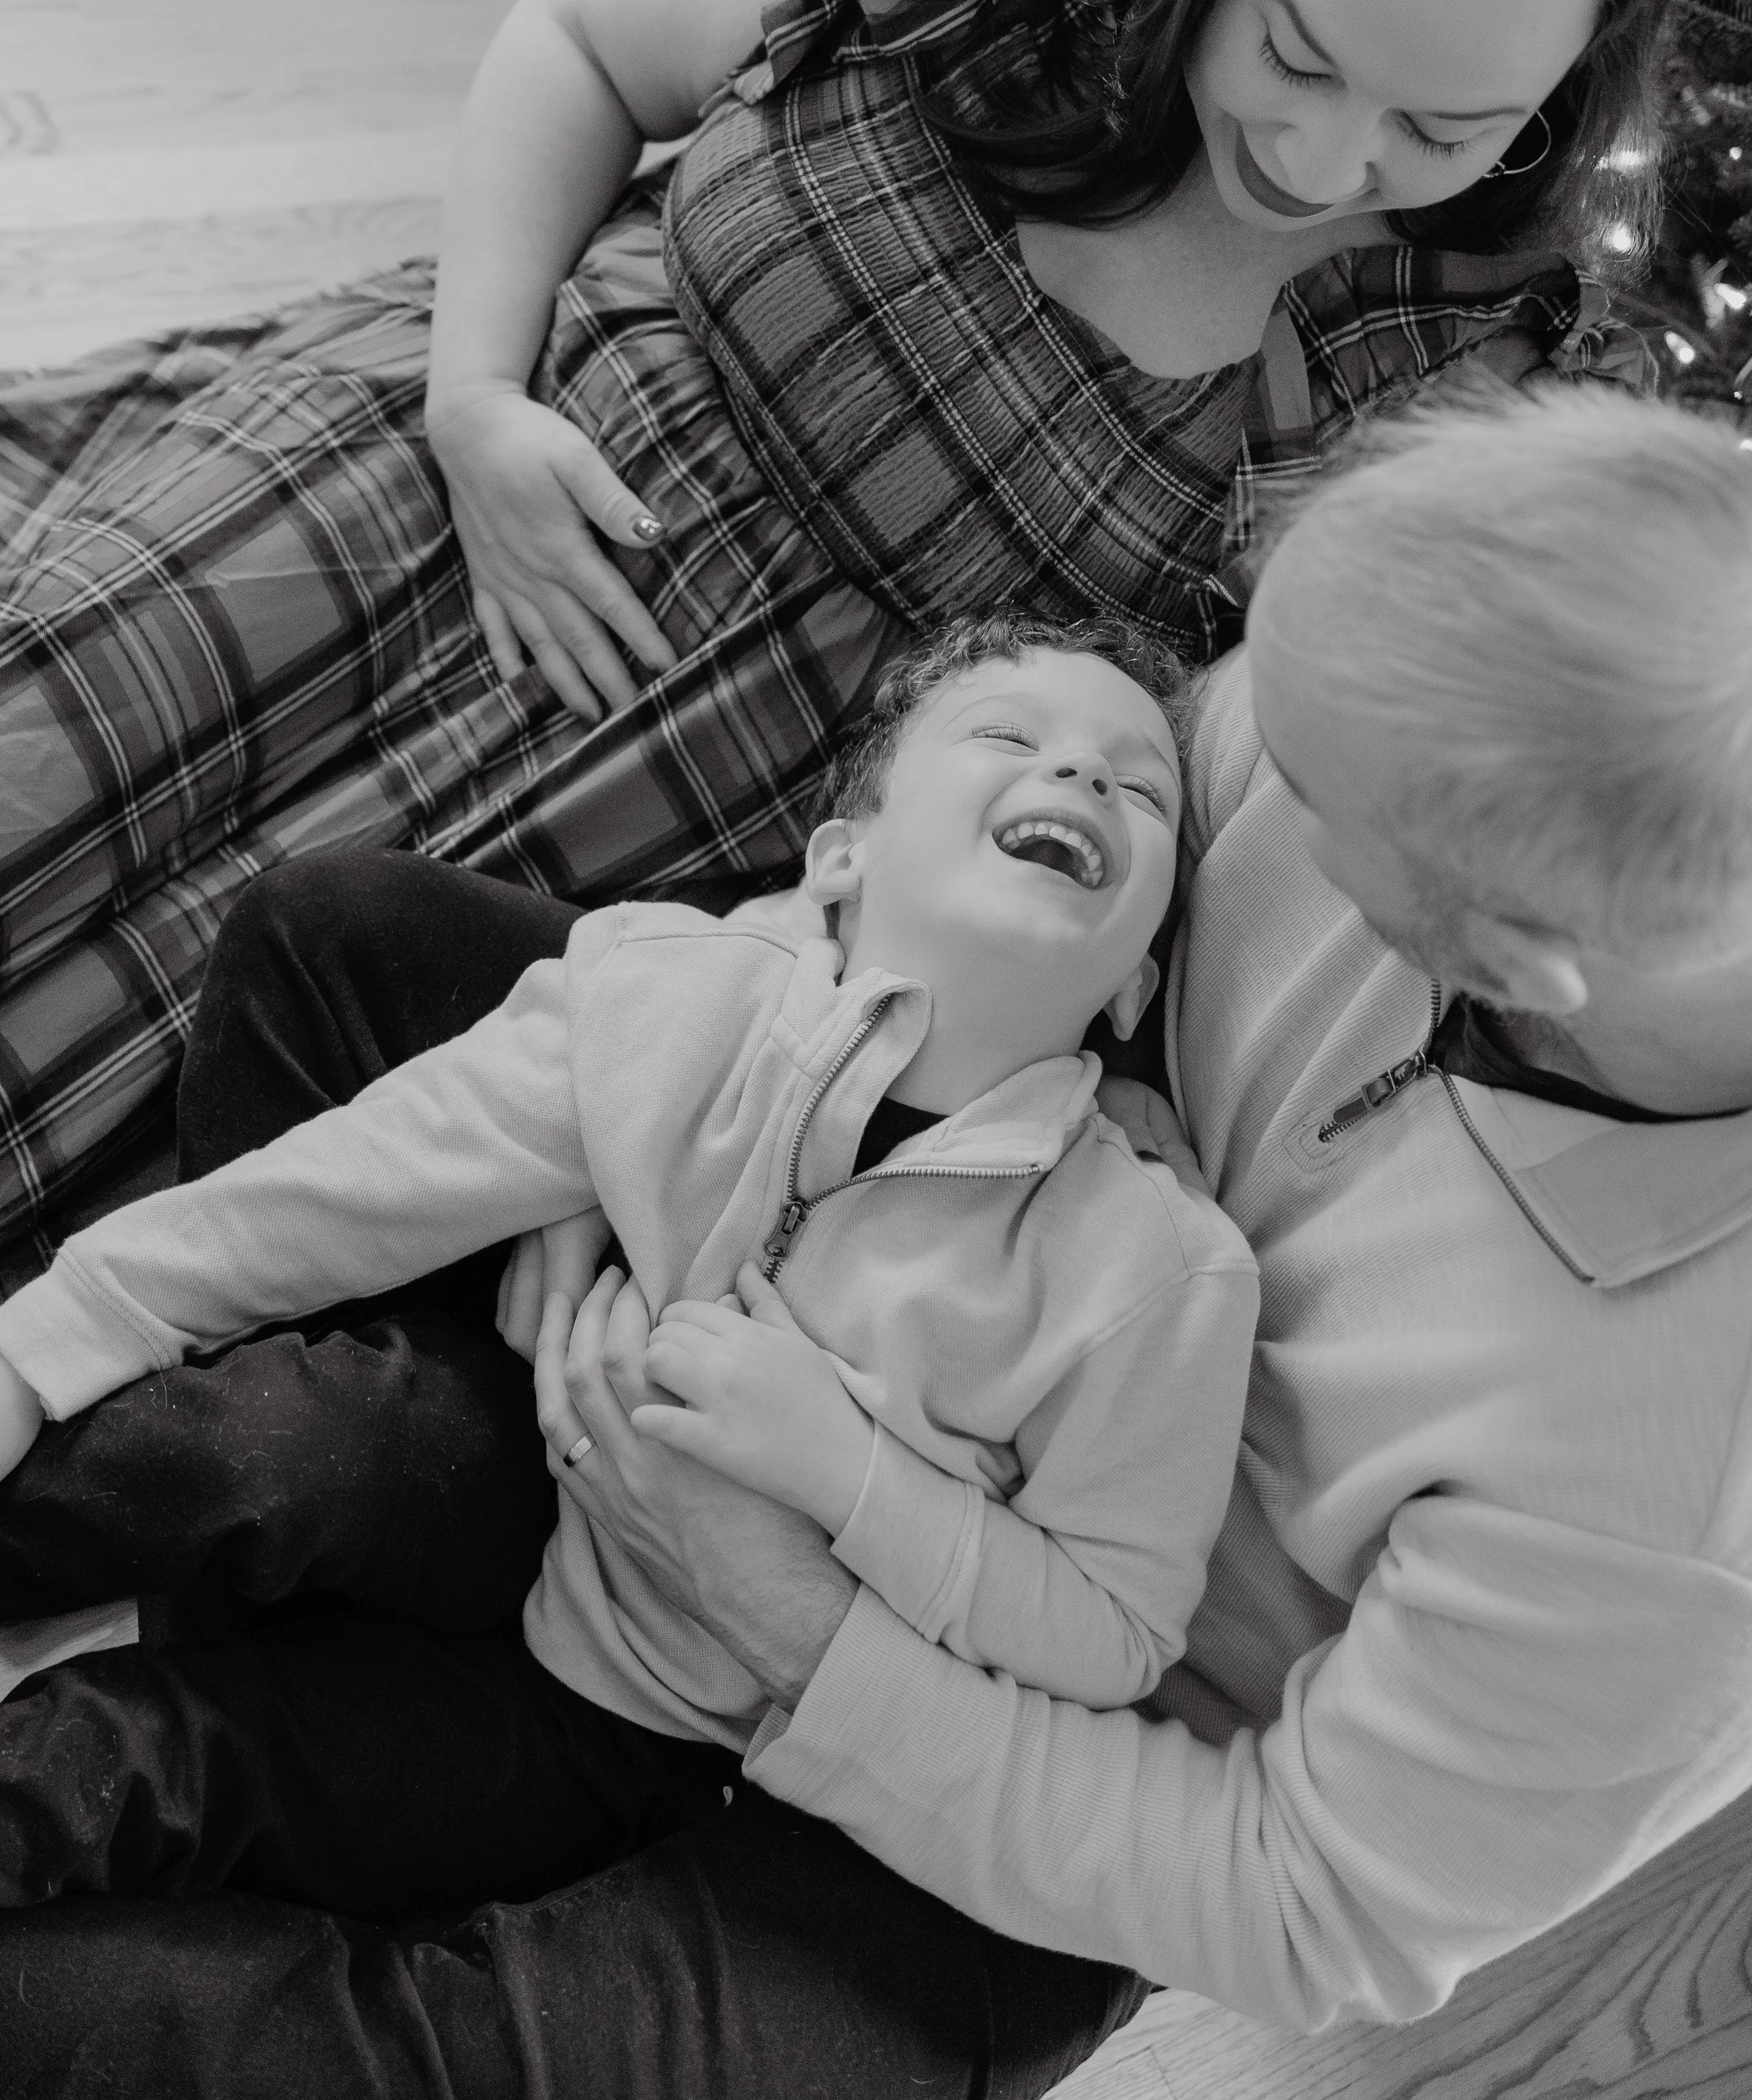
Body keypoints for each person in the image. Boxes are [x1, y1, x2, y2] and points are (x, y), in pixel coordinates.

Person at [5, 382, 1752, 2100]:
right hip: (809, 1282)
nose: (1226, 791)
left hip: (1048, 1749)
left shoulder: (1693, 1498)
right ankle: (292, 1658)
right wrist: (628, 1142)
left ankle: (348, 1750)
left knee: (356, 2044)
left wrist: (792, 1603)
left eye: (1293, 807)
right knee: (339, 945)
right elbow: (962, 878)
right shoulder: (1492, 711)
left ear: (1493, 967)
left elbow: (1303, 1905)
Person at [0, 0, 1703, 1252]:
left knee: (174, 1197)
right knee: (47, 746)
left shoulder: (1456, 357)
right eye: (1295, 50)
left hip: (662, 845)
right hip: (451, 471)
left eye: (1444, 123)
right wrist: (473, 404)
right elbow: (585, 41)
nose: (1329, 167)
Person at [0, 618, 1257, 1919]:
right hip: (510, 1473)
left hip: (623, 1730)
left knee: (118, 1763)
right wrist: (38, 1346)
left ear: (1135, 989)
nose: (1087, 777)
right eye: (1010, 735)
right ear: (843, 857)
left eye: (1143, 787)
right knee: (246, 1446)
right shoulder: (662, 997)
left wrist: (847, 1469)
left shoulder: (1158, 1275)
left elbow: (1115, 1631)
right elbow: (331, 1197)